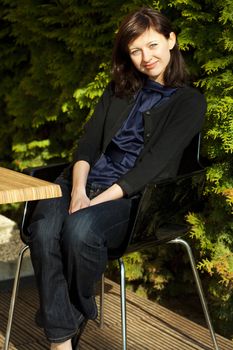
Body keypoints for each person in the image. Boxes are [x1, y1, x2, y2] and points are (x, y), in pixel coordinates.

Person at [25, 7, 206, 350]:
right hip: (80, 182)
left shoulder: (189, 102)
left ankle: (66, 324)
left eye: (152, 45)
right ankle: (62, 338)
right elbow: (87, 146)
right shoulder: (118, 90)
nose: (145, 57)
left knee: (80, 230)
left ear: (171, 40)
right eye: (135, 50)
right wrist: (78, 191)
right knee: (44, 228)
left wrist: (96, 201)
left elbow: (154, 165)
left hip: (132, 199)